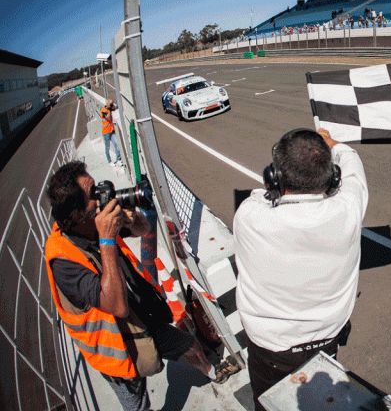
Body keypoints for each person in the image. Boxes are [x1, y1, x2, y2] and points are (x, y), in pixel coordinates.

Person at [44, 161, 237, 411]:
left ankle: (213, 372)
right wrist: (106, 237)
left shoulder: (94, 221)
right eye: (94, 194)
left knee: (188, 344)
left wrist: (130, 219)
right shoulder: (63, 261)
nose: (103, 196)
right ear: (78, 215)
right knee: (137, 403)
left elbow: (144, 229)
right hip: (117, 347)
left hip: (143, 317)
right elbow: (116, 306)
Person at [234, 128, 368, 410]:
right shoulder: (349, 210)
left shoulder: (249, 215)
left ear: (275, 177)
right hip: (327, 343)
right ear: (333, 179)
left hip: (269, 351)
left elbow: (262, 195)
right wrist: (333, 144)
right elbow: (354, 166)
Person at [101, 99, 123, 167]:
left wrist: (114, 106)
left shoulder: (110, 108)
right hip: (106, 132)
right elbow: (108, 118)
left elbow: (116, 107)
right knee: (107, 147)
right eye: (110, 104)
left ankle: (118, 159)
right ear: (107, 103)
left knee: (116, 144)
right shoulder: (103, 110)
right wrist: (109, 110)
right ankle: (109, 161)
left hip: (111, 131)